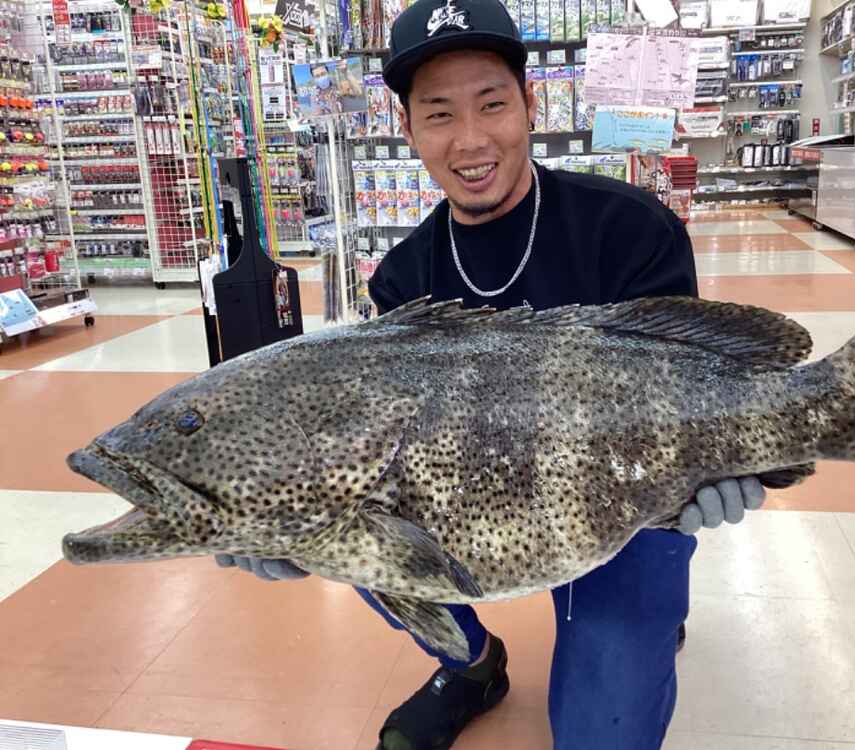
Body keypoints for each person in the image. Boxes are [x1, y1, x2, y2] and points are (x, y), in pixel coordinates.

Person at [218, 1, 769, 747]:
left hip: (627, 511)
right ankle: (473, 663)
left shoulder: (631, 227)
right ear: (407, 128)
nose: (471, 140)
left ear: (530, 104)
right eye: (439, 114)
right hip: (462, 509)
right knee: (359, 541)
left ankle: (640, 622)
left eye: (492, 104)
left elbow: (694, 386)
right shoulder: (403, 279)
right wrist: (281, 523)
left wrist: (706, 476)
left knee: (600, 732)